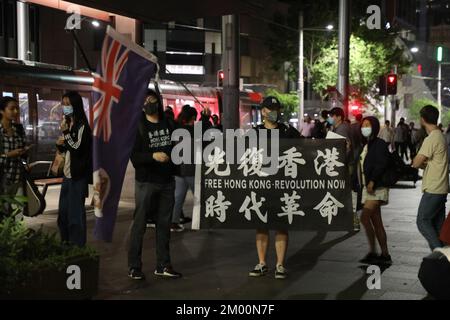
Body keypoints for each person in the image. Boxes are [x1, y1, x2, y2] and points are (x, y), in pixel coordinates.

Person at [128, 89, 181, 280]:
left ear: (158, 101)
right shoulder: (138, 126)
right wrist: (153, 156)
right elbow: (134, 156)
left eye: (152, 100)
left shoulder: (169, 124)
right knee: (139, 225)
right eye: (145, 101)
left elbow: (178, 147)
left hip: (167, 182)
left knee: (164, 225)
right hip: (146, 182)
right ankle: (134, 266)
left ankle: (164, 264)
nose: (149, 103)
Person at [249, 96, 300, 280]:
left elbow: (309, 148)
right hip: (261, 186)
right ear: (263, 111)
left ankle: (280, 264)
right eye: (271, 108)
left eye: (277, 108)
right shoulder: (254, 133)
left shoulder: (288, 131)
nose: (274, 112)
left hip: (282, 187)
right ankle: (262, 263)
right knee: (261, 226)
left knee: (281, 226)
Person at [56, 91, 92, 247]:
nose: (65, 107)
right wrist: (60, 144)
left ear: (75, 105)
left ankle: (77, 246)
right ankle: (65, 241)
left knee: (75, 215)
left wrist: (66, 133)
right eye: (63, 104)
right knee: (63, 213)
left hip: (78, 177)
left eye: (68, 104)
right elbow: (69, 148)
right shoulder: (69, 123)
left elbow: (77, 148)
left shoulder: (82, 126)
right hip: (67, 175)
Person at [412, 105, 449, 251]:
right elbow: (430, 162)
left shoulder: (432, 138)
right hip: (442, 187)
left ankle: (440, 254)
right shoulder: (441, 135)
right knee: (438, 227)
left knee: (423, 221)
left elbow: (416, 162)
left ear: (422, 119)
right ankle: (442, 260)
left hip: (434, 188)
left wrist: (418, 161)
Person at [358, 116, 392, 265]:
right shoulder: (366, 144)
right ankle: (384, 254)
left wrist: (372, 181)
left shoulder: (379, 144)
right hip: (368, 187)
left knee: (364, 217)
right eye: (363, 125)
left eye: (367, 125)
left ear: (374, 127)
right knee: (376, 221)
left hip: (376, 187)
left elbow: (381, 164)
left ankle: (373, 251)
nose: (364, 127)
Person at [0, 97, 30, 218]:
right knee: (4, 211)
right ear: (2, 111)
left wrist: (25, 162)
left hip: (17, 176)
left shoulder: (18, 128)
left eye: (17, 108)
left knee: (17, 212)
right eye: (12, 109)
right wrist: (8, 155)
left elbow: (23, 152)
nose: (16, 112)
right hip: (3, 177)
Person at [171, 106, 198, 232]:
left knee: (178, 198)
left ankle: (174, 222)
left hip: (178, 171)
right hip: (192, 171)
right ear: (193, 118)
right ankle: (203, 222)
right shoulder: (195, 132)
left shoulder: (176, 130)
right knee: (200, 198)